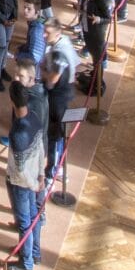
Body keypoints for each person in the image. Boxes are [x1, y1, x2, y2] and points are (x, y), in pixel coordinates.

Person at [5, 57, 49, 270]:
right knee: (33, 217)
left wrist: (33, 184)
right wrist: (40, 176)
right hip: (34, 177)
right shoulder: (33, 116)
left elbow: (20, 170)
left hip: (22, 183)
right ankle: (34, 252)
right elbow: (40, 147)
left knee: (25, 222)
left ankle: (27, 263)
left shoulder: (18, 133)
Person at [41, 17, 79, 198]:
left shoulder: (59, 53)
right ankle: (59, 166)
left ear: (57, 33)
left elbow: (52, 79)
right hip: (64, 92)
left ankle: (51, 173)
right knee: (59, 134)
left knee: (54, 136)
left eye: (47, 32)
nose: (44, 35)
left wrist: (44, 75)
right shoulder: (63, 42)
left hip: (58, 98)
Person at [80, 0, 115, 97]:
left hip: (96, 32)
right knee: (93, 56)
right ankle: (94, 78)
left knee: (97, 59)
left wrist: (99, 19)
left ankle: (97, 85)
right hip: (87, 27)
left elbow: (109, 18)